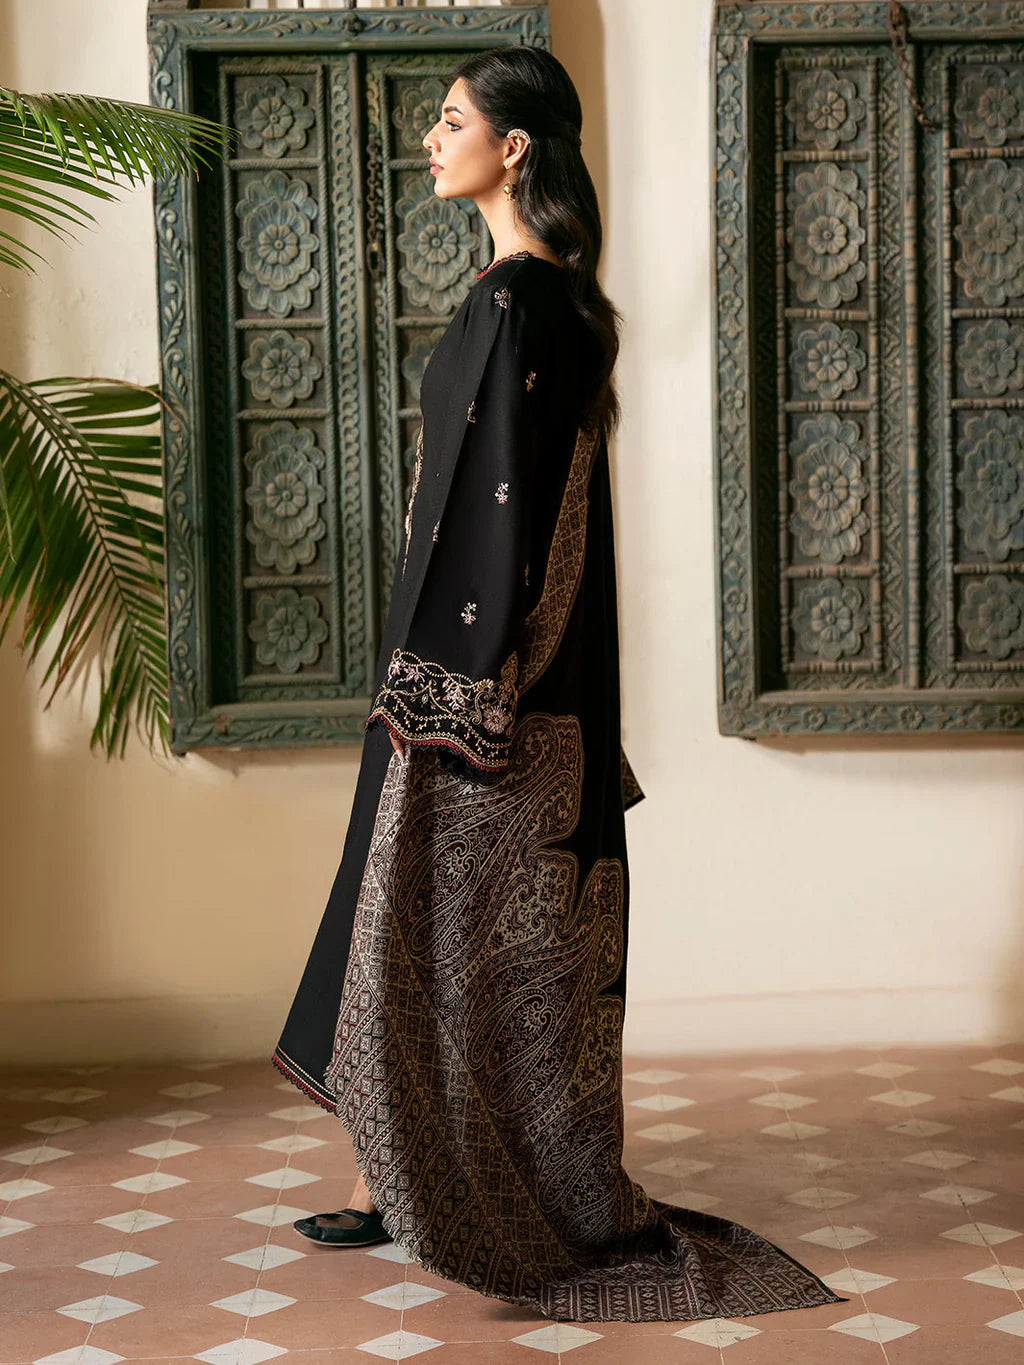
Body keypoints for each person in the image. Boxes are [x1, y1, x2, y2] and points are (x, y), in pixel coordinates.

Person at [272, 45, 848, 1325]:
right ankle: (393, 1180)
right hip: (493, 673)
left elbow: (510, 519)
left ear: (513, 145)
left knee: (436, 931)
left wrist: (458, 694)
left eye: (452, 121)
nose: (433, 141)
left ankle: (441, 1187)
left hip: (479, 686)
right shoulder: (549, 302)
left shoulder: (520, 305)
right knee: (429, 932)